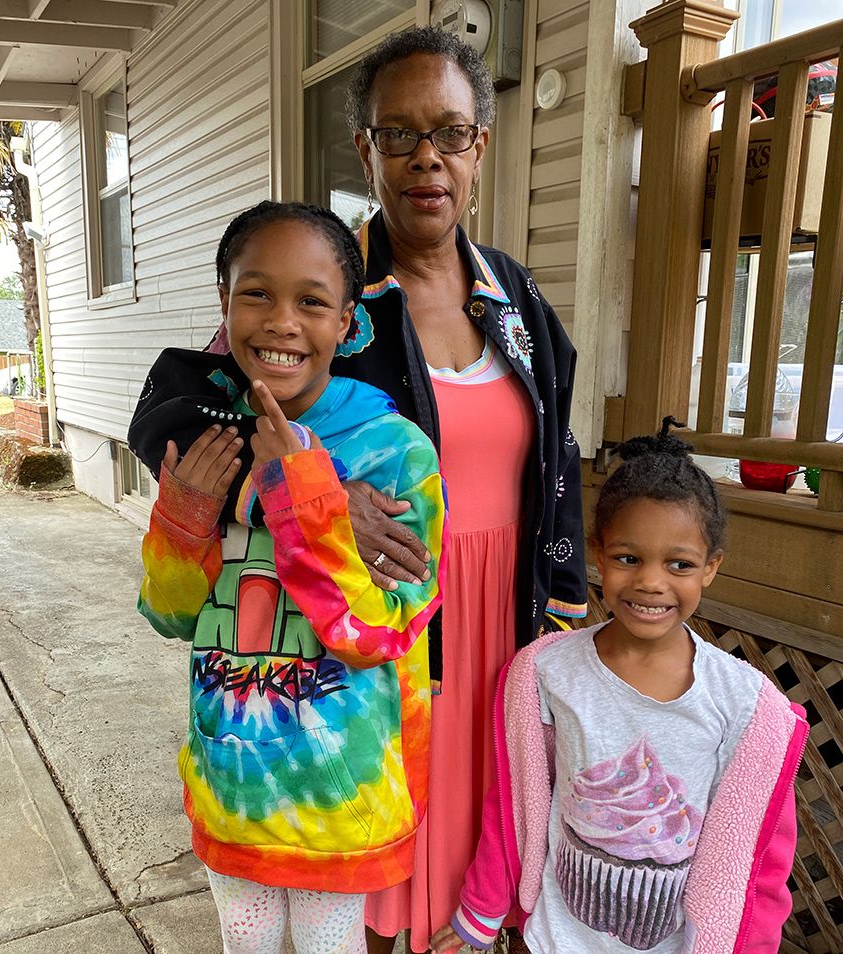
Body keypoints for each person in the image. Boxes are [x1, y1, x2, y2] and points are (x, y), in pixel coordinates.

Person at [132, 201, 447, 954]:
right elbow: (170, 614)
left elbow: (377, 633)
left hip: (337, 802)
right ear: (224, 301)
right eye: (256, 293)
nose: (281, 322)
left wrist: (305, 496)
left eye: (311, 301)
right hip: (232, 789)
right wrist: (184, 518)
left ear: (346, 321)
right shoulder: (208, 436)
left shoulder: (395, 452)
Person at [339, 27, 588, 954]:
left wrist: (566, 620)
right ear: (366, 149)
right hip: (389, 633)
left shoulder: (515, 299)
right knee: (384, 868)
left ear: (480, 145)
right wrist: (316, 499)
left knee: (498, 846)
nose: (426, 157)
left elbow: (558, 461)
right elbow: (189, 416)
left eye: (449, 131)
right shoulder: (324, 286)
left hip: (506, 624)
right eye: (398, 134)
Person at [431, 419, 808, 954]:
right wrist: (482, 907)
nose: (651, 582)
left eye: (679, 564)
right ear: (598, 553)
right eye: (628, 559)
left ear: (711, 568)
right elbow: (515, 806)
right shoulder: (548, 672)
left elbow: (759, 856)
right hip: (554, 939)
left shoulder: (744, 705)